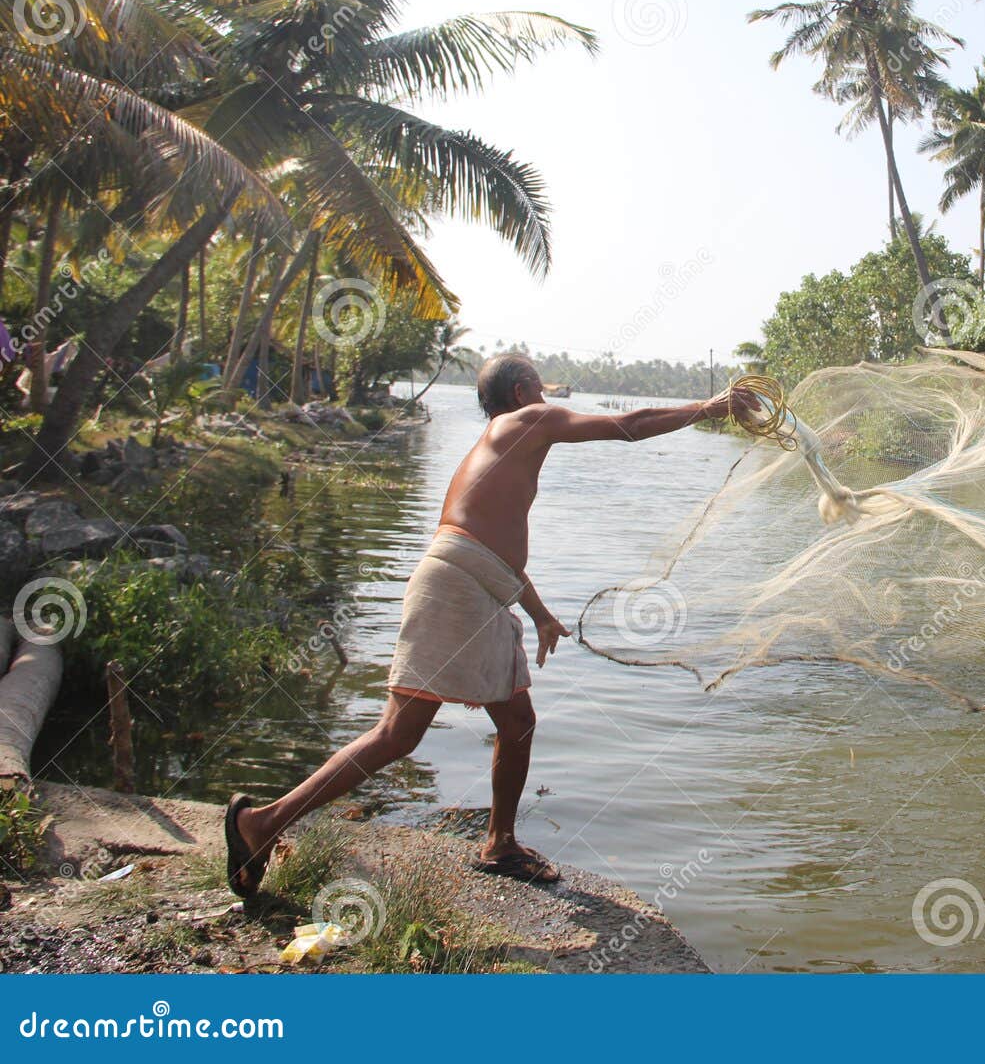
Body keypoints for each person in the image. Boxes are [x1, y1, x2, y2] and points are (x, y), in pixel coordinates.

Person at [224, 353, 758, 893]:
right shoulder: (529, 420)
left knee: (517, 721)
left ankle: (499, 844)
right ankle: (262, 823)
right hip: (457, 588)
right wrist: (709, 408)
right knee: (397, 734)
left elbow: (496, 557)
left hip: (475, 586)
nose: (551, 399)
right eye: (541, 387)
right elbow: (630, 426)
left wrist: (542, 617)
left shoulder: (498, 447)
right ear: (525, 390)